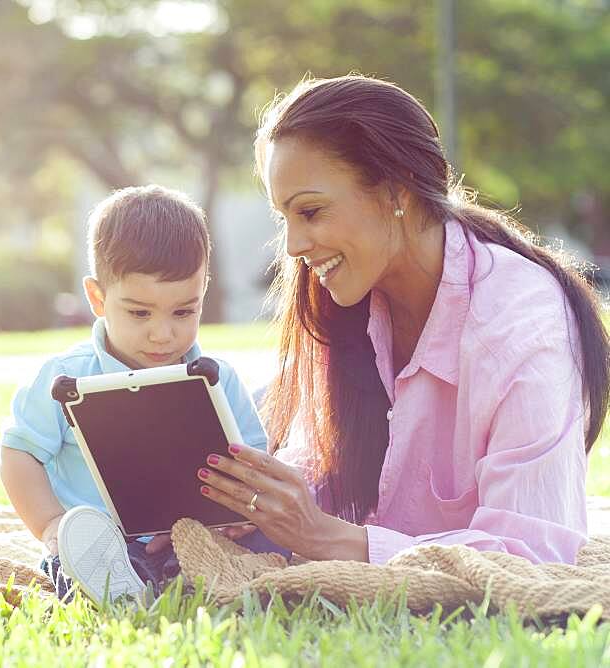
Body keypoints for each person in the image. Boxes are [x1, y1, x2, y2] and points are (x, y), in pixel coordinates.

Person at [198, 74, 610, 565]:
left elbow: (533, 553)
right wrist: (253, 506)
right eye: (283, 217)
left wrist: (325, 538)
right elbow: (318, 468)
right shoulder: (346, 305)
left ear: (397, 192)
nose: (292, 246)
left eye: (310, 211)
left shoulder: (522, 326)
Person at [0, 184, 280, 602]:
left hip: (197, 538)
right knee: (88, 561)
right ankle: (115, 585)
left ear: (203, 291)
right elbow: (19, 455)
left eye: (184, 311)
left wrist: (242, 516)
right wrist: (52, 525)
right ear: (97, 297)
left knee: (272, 550)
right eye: (139, 312)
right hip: (102, 543)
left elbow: (253, 466)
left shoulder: (218, 378)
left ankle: (194, 580)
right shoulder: (64, 377)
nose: (162, 334)